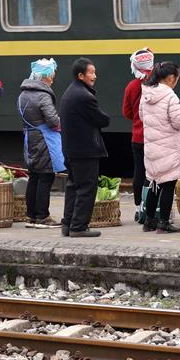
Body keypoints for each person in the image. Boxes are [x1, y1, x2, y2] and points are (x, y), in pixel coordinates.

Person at [59, 57, 110, 238]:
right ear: (81, 75)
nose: (94, 76)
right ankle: (79, 227)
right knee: (86, 188)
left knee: (73, 186)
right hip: (85, 150)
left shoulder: (70, 92)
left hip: (72, 149)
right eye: (91, 73)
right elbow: (103, 119)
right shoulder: (84, 96)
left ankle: (68, 224)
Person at [140, 61, 180, 233]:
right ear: (171, 78)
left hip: (151, 146)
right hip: (167, 147)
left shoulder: (145, 94)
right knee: (168, 184)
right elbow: (178, 122)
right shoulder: (170, 96)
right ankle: (163, 223)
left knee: (154, 183)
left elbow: (141, 115)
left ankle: (149, 221)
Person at [19, 58, 63, 229]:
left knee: (34, 176)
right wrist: (63, 123)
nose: (52, 79)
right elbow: (52, 120)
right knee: (46, 176)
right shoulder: (43, 95)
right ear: (44, 77)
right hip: (45, 140)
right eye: (51, 76)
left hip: (30, 138)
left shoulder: (23, 94)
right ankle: (42, 216)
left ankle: (31, 215)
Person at [122, 47, 154, 224]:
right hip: (156, 138)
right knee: (155, 174)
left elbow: (126, 112)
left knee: (139, 173)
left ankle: (137, 208)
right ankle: (151, 209)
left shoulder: (132, 86)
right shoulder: (159, 85)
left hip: (138, 137)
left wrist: (137, 118)